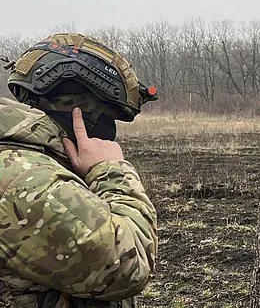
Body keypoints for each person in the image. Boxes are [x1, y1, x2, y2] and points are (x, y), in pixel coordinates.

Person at [0, 33, 159, 308]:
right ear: (80, 114)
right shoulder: (24, 177)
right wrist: (111, 171)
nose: (109, 133)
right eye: (108, 118)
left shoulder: (22, 158)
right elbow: (127, 265)